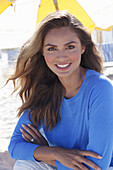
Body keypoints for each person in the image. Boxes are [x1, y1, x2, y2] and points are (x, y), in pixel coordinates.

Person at [7, 10, 113, 170]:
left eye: (70, 47)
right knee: (24, 165)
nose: (61, 56)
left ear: (83, 47)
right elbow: (15, 146)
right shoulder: (44, 90)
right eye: (52, 49)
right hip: (65, 164)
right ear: (42, 52)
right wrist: (55, 152)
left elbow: (97, 166)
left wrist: (49, 156)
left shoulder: (100, 87)